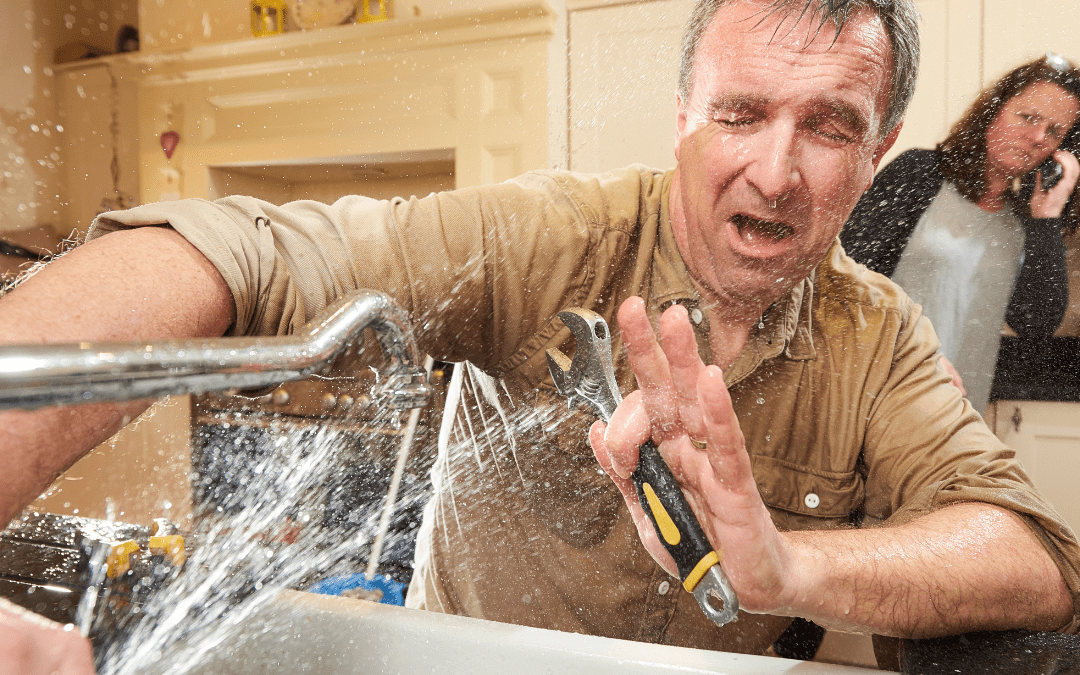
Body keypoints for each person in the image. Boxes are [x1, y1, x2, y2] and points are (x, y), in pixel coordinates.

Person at [1, 0, 1078, 672]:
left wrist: (788, 567)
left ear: (881, 143)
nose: (777, 171)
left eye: (831, 126)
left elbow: (1032, 555)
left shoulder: (878, 338)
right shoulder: (552, 237)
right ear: (683, 116)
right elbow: (239, 251)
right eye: (742, 114)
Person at [841, 55, 1080, 413]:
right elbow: (845, 278)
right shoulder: (918, 173)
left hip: (961, 412)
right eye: (1028, 117)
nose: (1036, 138)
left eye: (1054, 132)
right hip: (874, 396)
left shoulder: (1024, 221)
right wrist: (913, 357)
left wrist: (1046, 218)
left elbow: (1035, 323)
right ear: (994, 110)